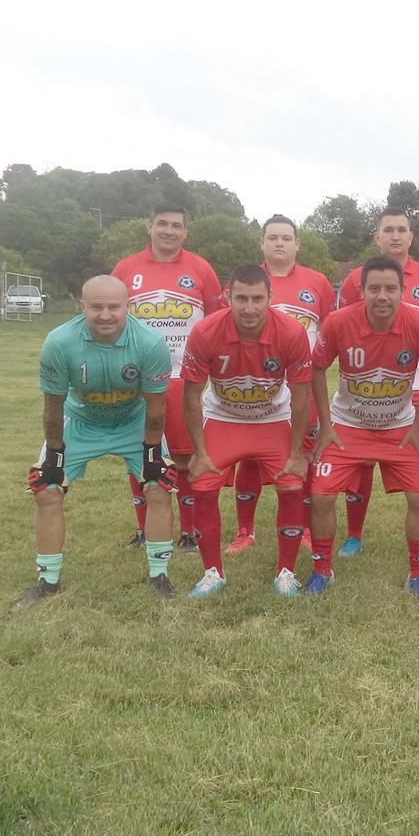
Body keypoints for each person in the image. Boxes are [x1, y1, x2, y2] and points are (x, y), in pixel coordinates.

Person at [16, 275, 176, 609]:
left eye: (114, 307)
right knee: (46, 491)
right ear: (83, 307)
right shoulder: (59, 342)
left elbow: (157, 407)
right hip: (82, 421)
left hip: (134, 422)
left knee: (159, 487)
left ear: (127, 307)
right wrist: (54, 459)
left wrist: (151, 457)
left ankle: (159, 575)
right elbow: (53, 406)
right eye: (97, 307)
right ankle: (48, 581)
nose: (106, 315)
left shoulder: (150, 343)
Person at [307, 255, 419, 599]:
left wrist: (417, 421)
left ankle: (418, 574)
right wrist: (326, 424)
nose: (382, 296)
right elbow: (317, 368)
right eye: (374, 289)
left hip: (399, 428)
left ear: (402, 291)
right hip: (347, 427)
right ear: (361, 291)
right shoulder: (339, 323)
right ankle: (322, 570)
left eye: (390, 289)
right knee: (320, 496)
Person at [180, 265, 312, 598]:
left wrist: (297, 453)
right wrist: (199, 450)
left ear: (270, 297)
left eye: (257, 298)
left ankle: (287, 572)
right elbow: (192, 396)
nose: (249, 308)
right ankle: (213, 572)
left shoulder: (292, 333)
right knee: (204, 486)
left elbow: (300, 398)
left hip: (272, 416)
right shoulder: (205, 331)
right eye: (241, 298)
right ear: (228, 296)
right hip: (224, 417)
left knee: (293, 486)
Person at [333, 207, 419, 558]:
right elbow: (345, 327)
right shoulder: (356, 279)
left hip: (413, 385)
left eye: (402, 230)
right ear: (377, 236)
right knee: (361, 461)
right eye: (389, 230)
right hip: (366, 388)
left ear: (411, 236)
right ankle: (354, 534)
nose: (396, 236)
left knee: (417, 457)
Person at [111, 205, 226, 553]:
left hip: (183, 378)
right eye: (162, 224)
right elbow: (111, 319)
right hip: (136, 378)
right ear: (149, 227)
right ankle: (145, 529)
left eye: (176, 226)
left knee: (184, 456)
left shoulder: (201, 269)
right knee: (140, 454)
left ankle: (189, 532)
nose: (169, 231)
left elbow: (216, 322)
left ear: (185, 232)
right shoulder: (126, 269)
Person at [230, 214, 335, 553]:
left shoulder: (318, 282)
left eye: (286, 238)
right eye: (272, 237)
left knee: (303, 453)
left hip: (301, 385)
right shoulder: (245, 281)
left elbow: (330, 332)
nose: (279, 243)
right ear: (261, 242)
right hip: (256, 386)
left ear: (297, 244)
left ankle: (302, 526)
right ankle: (245, 530)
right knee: (247, 456)